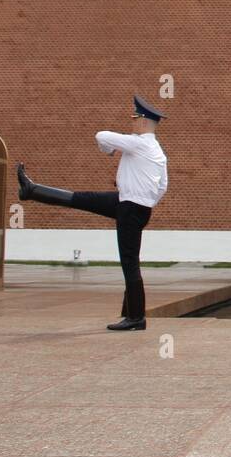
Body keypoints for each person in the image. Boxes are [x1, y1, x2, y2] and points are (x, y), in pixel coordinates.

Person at [16, 95, 169, 331]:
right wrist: (146, 200)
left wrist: (108, 151)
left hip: (130, 207)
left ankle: (137, 318)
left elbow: (101, 135)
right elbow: (162, 187)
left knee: (129, 262)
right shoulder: (156, 149)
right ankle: (31, 190)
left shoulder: (140, 143)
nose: (132, 121)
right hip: (131, 204)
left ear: (143, 122)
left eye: (134, 118)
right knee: (82, 199)